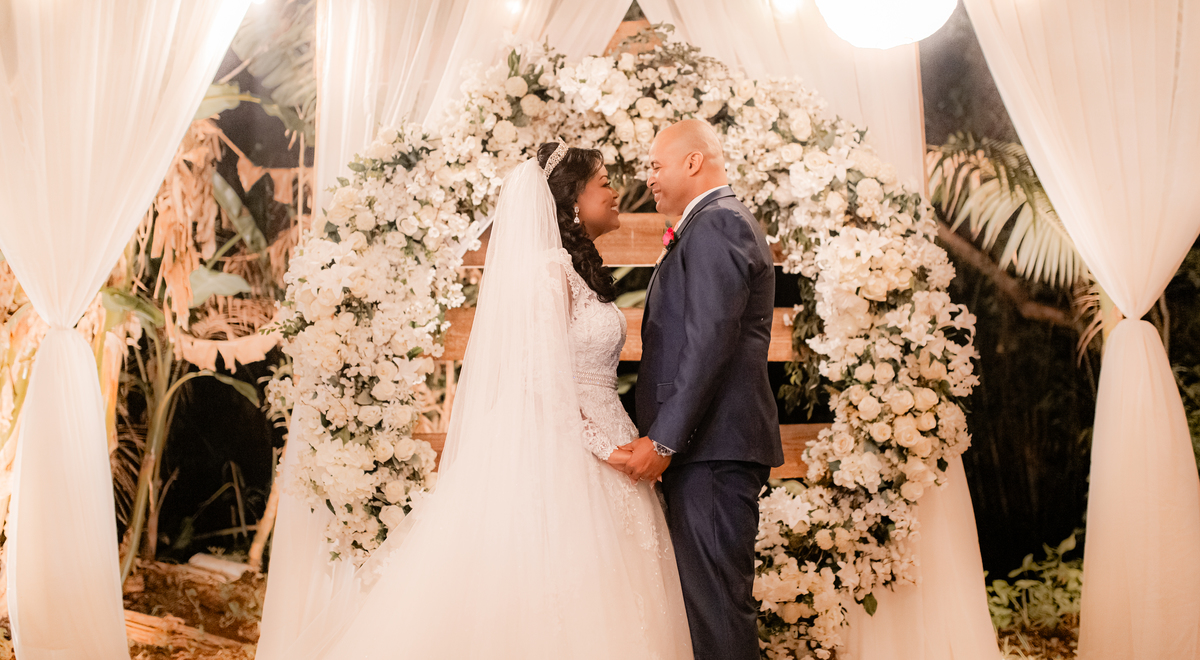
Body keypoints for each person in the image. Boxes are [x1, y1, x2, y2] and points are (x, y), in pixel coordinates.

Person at [260, 144, 692, 659]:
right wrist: (605, 447)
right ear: (572, 200)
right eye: (602, 182)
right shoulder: (548, 272)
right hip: (568, 452)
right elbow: (536, 379)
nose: (614, 190)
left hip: (611, 448)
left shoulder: (576, 270)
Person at [623, 118, 784, 660]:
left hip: (711, 449)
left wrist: (664, 441)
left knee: (718, 617)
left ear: (693, 162)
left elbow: (709, 340)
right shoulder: (713, 223)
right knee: (709, 611)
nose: (649, 178)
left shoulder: (718, 224)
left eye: (656, 164)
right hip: (708, 447)